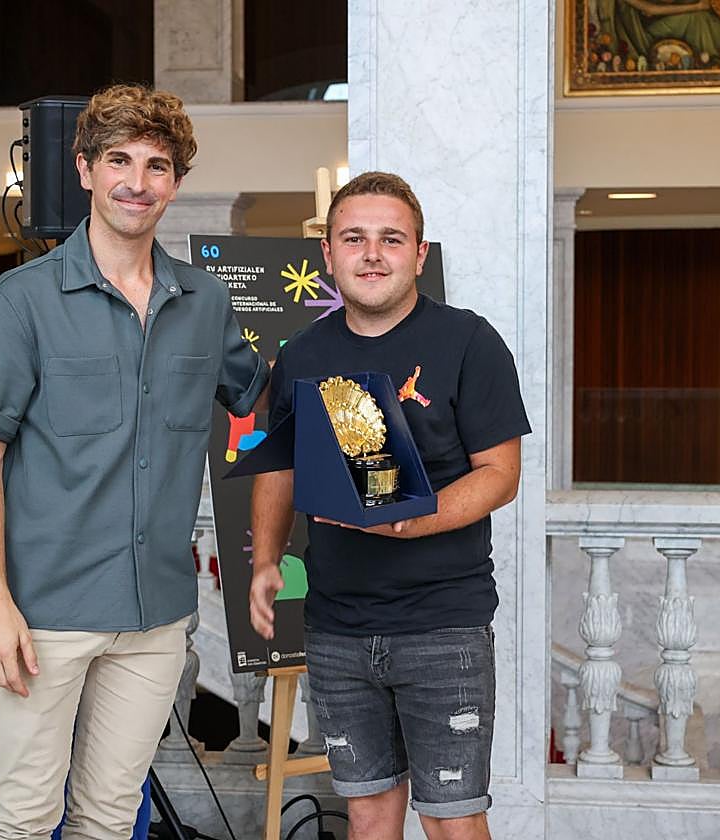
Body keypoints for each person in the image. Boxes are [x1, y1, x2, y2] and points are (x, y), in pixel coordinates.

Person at [0, 84, 268, 840]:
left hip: (156, 616)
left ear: (175, 184)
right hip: (44, 615)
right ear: (85, 169)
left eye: (158, 166)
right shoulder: (20, 301)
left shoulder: (206, 302)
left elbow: (267, 397)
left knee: (111, 818)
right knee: (22, 819)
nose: (137, 182)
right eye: (119, 160)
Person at [248, 172, 530, 840]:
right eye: (354, 238)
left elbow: (500, 475)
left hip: (443, 627)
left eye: (391, 239)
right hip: (337, 628)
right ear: (328, 255)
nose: (372, 254)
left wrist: (412, 520)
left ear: (419, 254)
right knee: (369, 817)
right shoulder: (305, 354)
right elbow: (280, 466)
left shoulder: (469, 342)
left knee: (452, 820)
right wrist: (265, 560)